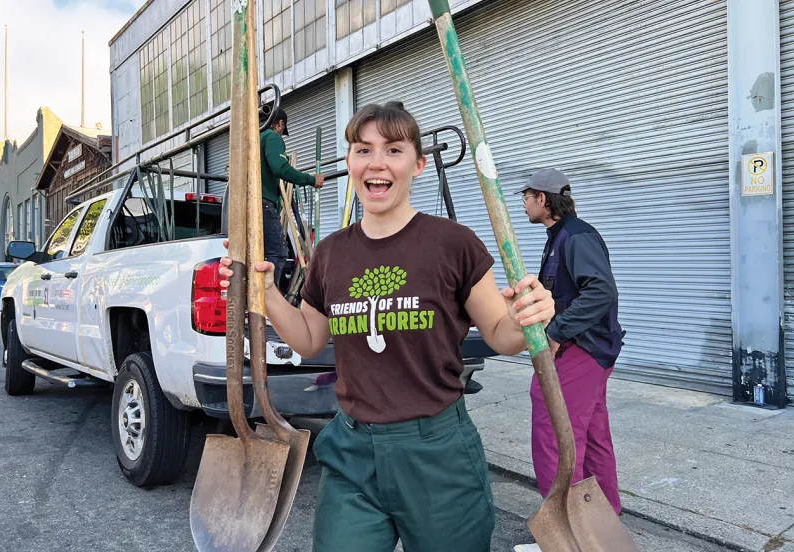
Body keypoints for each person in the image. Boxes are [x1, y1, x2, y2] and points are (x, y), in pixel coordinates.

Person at [219, 101, 555, 551]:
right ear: (351, 163)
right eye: (363, 150)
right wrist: (267, 295)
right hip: (353, 452)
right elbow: (309, 338)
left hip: (437, 453)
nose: (377, 162)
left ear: (417, 165)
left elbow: (499, 331)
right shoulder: (331, 254)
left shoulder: (453, 244)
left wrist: (528, 317)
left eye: (393, 150)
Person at [518, 168, 625, 516]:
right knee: (592, 433)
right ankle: (602, 520)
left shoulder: (576, 236)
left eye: (527, 196)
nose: (523, 202)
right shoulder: (561, 236)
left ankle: (564, 529)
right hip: (590, 348)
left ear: (543, 200)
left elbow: (601, 292)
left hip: (582, 348)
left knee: (554, 430)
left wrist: (556, 332)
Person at [260, 106, 325, 285]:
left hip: (253, 204)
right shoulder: (272, 137)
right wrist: (311, 179)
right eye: (282, 129)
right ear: (279, 124)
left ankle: (256, 303)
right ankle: (268, 303)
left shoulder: (255, 139)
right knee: (278, 252)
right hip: (262, 204)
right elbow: (280, 167)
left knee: (260, 254)